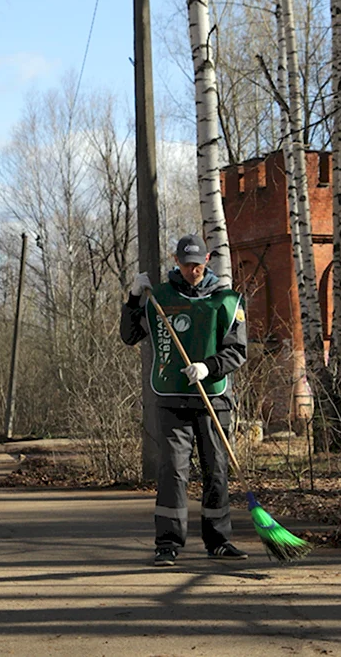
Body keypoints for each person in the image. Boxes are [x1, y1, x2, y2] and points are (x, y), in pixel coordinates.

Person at [121, 234, 249, 566]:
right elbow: (129, 335)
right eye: (186, 263)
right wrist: (134, 299)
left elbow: (237, 350)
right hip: (172, 399)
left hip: (213, 399)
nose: (193, 269)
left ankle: (218, 540)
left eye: (198, 263)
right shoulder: (159, 298)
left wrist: (209, 367)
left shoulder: (226, 300)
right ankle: (167, 544)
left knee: (216, 471)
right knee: (173, 473)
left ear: (207, 261)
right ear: (175, 261)